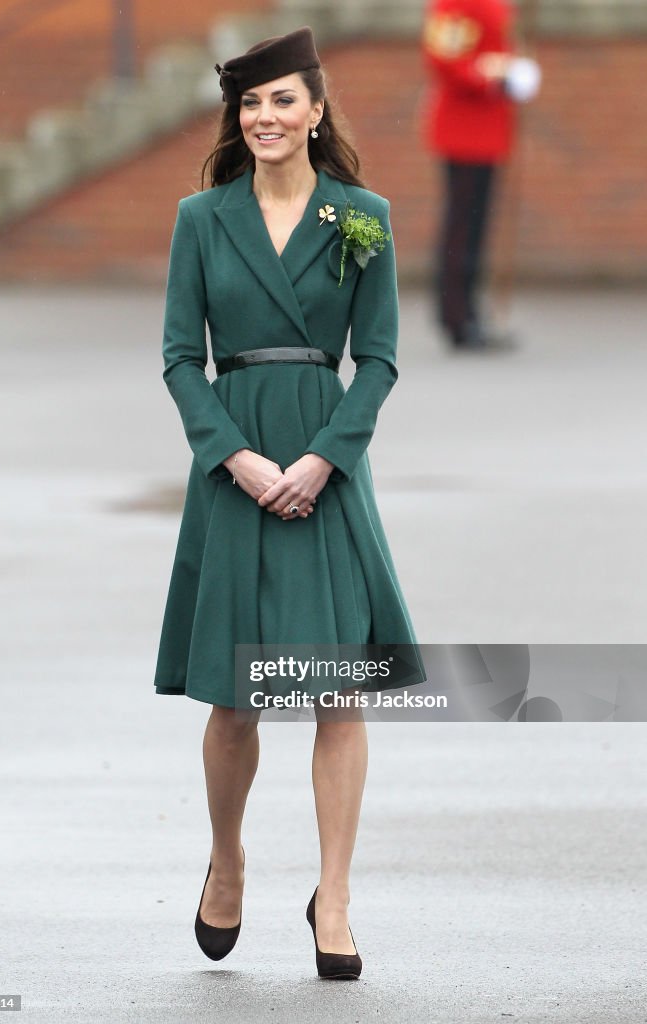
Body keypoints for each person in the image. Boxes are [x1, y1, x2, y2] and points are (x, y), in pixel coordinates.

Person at [152, 26, 426, 979]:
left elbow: (381, 356)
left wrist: (322, 460)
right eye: (249, 103)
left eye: (281, 101)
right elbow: (182, 357)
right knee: (236, 701)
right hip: (235, 468)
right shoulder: (201, 217)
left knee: (337, 693)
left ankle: (334, 896)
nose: (263, 118)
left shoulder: (364, 215)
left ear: (315, 111)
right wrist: (235, 459)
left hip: (325, 463)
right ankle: (225, 865)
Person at [421, 0, 540, 351]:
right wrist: (498, 78)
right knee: (462, 226)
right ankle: (457, 315)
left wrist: (516, 71)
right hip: (465, 129)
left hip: (489, 129)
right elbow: (444, 61)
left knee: (476, 227)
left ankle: (469, 311)